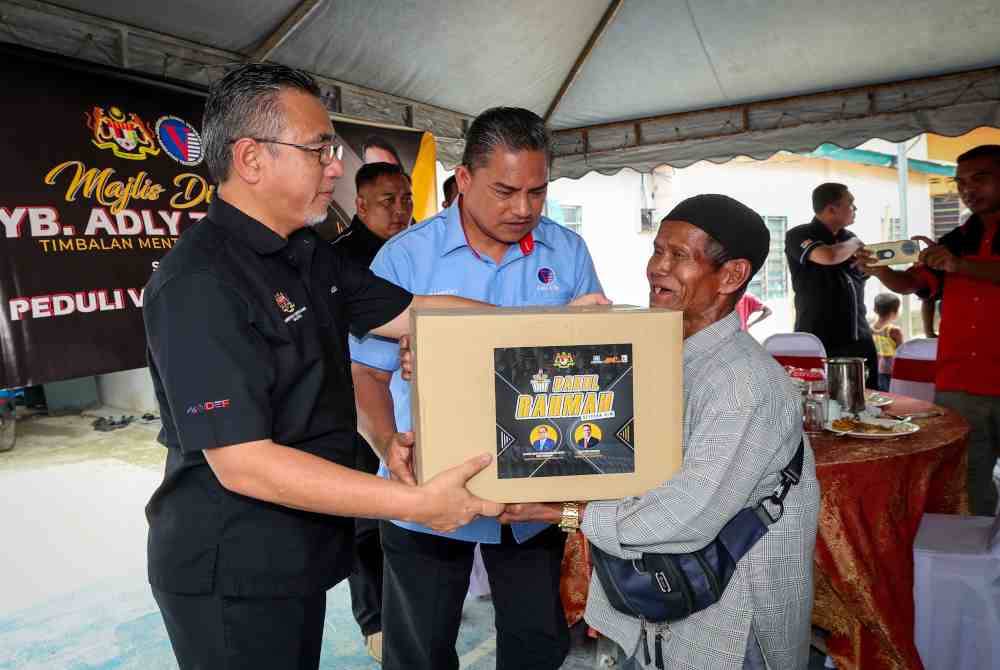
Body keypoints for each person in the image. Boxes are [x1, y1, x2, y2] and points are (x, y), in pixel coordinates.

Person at [142, 63, 505, 670]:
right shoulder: (199, 283)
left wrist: (555, 324)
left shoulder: (304, 252)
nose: (336, 167)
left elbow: (416, 313)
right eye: (319, 149)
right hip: (232, 565)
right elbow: (244, 463)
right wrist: (417, 504)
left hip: (299, 547)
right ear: (252, 159)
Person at [499, 194, 821, 670]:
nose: (656, 268)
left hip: (727, 621)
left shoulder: (744, 384)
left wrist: (558, 512)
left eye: (678, 256)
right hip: (658, 607)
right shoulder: (657, 351)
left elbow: (684, 514)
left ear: (731, 276)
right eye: (657, 251)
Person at [350, 106, 606, 670]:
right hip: (425, 492)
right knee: (419, 648)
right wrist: (389, 446)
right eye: (505, 191)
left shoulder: (568, 253)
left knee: (538, 644)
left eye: (537, 192)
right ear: (463, 179)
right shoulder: (404, 258)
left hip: (533, 498)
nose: (523, 209)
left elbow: (593, 370)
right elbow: (367, 374)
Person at [860, 144, 1000, 516]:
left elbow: (962, 269)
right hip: (961, 379)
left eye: (981, 178)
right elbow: (912, 285)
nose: (968, 189)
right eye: (961, 183)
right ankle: (979, 566)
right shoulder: (958, 237)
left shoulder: (956, 252)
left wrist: (959, 266)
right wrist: (879, 270)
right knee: (969, 482)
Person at [330, 160, 413, 662]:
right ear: (360, 205)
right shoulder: (338, 259)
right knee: (364, 515)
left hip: (403, 400)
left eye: (406, 199)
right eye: (388, 201)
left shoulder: (414, 252)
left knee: (403, 506)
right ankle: (374, 619)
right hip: (352, 401)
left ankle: (403, 608)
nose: (401, 209)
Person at [785, 183, 878, 388]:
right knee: (818, 402)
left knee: (869, 403)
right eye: (850, 203)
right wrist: (854, 244)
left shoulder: (847, 239)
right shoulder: (798, 235)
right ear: (831, 209)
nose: (855, 208)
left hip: (858, 338)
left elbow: (862, 274)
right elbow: (828, 256)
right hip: (818, 341)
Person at [871, 293, 903, 391]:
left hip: (877, 368)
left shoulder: (870, 329)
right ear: (896, 311)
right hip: (891, 370)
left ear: (875, 309)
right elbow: (901, 352)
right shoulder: (895, 330)